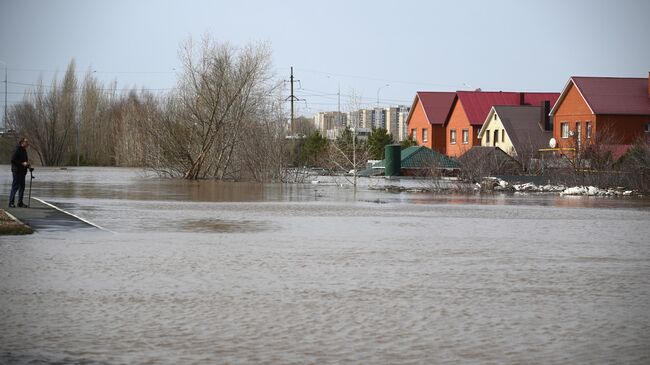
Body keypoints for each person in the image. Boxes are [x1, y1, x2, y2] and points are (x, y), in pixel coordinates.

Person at [9, 137, 30, 208]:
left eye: (27, 142)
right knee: (15, 187)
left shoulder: (24, 150)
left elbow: (24, 161)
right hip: (16, 171)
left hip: (22, 172)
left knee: (22, 187)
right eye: (26, 142)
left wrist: (28, 165)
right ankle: (11, 203)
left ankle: (20, 203)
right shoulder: (17, 149)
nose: (27, 143)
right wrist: (22, 163)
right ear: (22, 142)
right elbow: (13, 160)